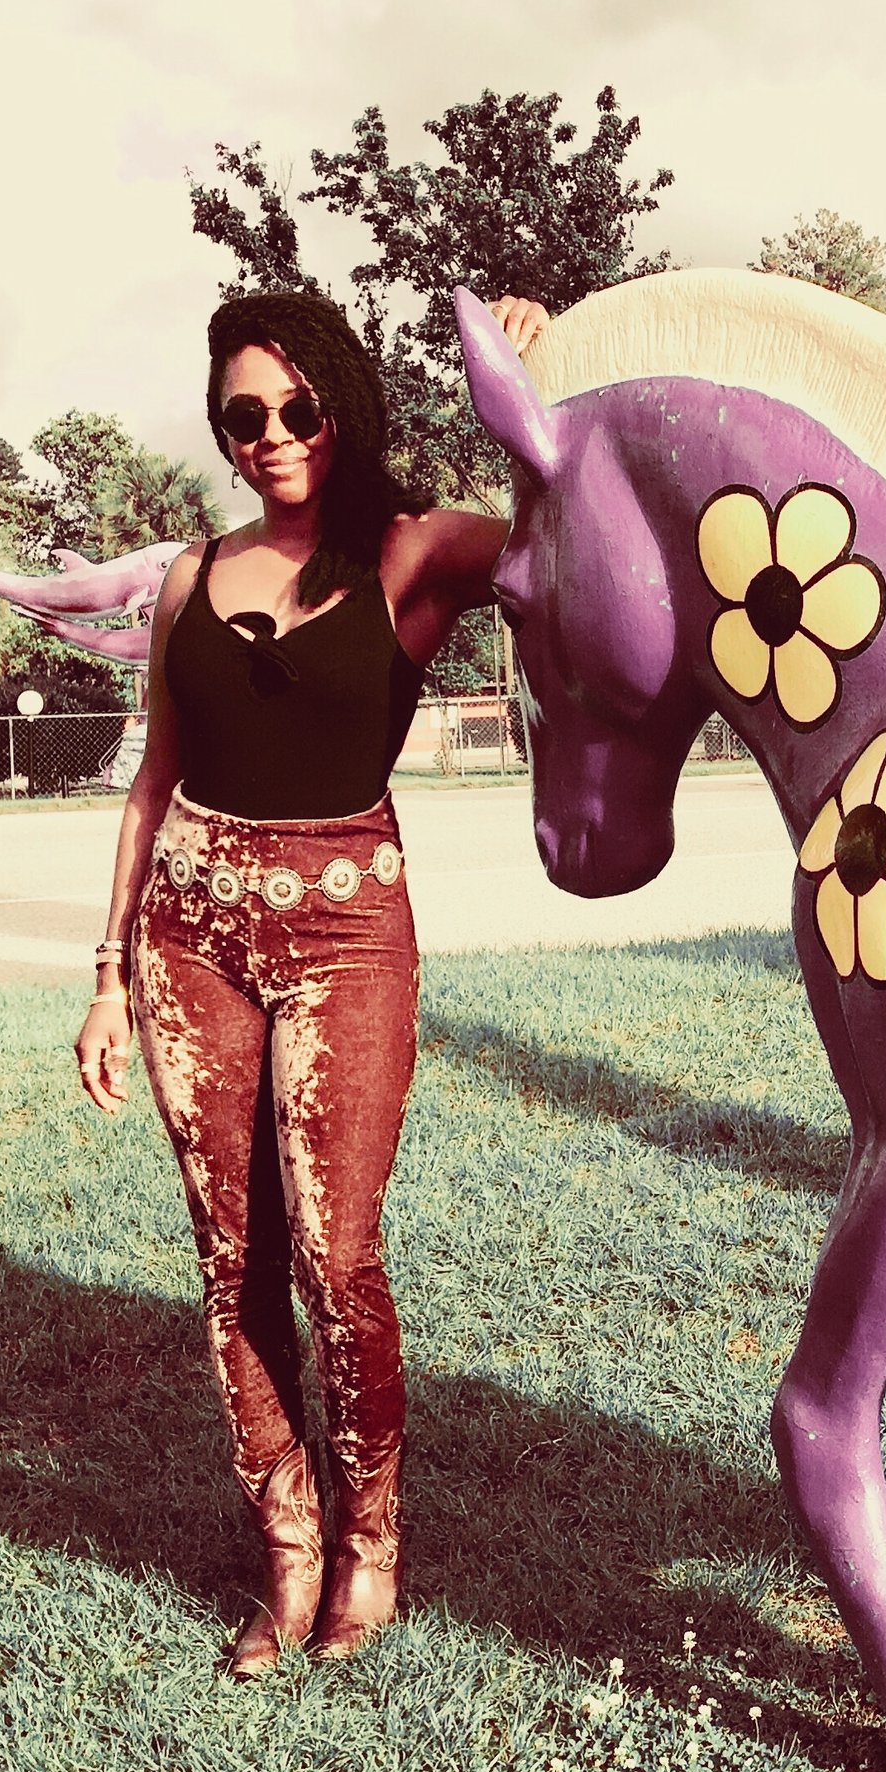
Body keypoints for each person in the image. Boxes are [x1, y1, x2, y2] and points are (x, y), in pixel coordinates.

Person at [75, 288, 549, 1677]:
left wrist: (525, 369)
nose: (272, 435)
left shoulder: (411, 553)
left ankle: (372, 1547)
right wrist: (109, 973)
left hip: (349, 931)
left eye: (296, 407)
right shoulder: (189, 577)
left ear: (339, 403)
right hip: (188, 936)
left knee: (337, 1256)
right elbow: (150, 781)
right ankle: (287, 1552)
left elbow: (559, 535)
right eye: (243, 416)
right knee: (236, 1263)